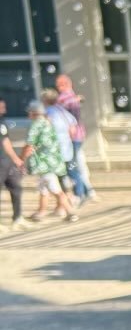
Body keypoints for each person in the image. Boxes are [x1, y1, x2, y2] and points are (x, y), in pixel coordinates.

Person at [22, 99, 78, 223]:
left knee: (55, 189)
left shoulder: (36, 125)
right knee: (43, 188)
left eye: (29, 112)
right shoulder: (48, 122)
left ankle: (70, 212)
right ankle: (40, 212)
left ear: (34, 113)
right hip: (54, 162)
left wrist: (21, 159)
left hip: (44, 163)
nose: (28, 114)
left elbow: (29, 145)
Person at [56, 74, 96, 202]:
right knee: (78, 163)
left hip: (71, 137)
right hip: (78, 135)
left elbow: (69, 117)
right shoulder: (72, 97)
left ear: (65, 85)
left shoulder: (64, 98)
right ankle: (88, 191)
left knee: (72, 165)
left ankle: (80, 193)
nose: (58, 88)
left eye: (60, 85)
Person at [0, 98, 28, 231]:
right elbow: (5, 143)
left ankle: (17, 218)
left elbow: (6, 141)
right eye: (1, 107)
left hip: (6, 161)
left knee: (16, 187)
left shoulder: (2, 122)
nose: (4, 110)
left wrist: (14, 160)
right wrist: (17, 159)